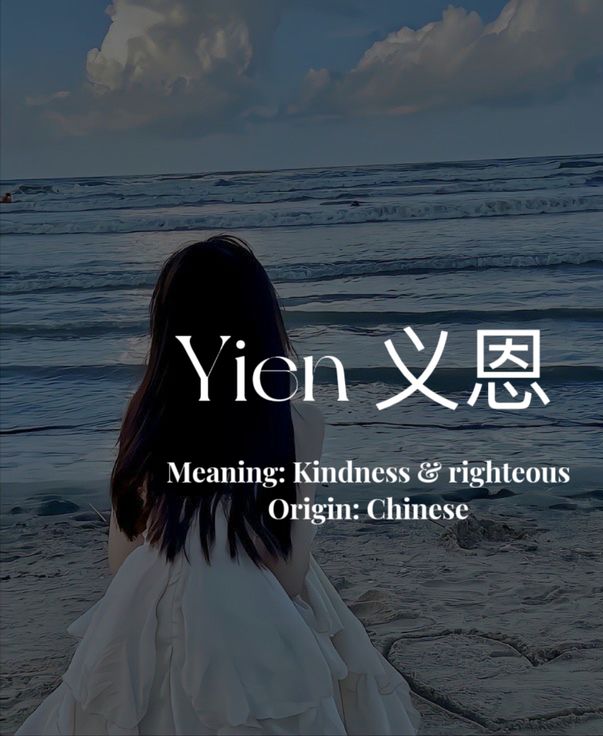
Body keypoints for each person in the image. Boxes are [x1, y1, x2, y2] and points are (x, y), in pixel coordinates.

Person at [17, 235, 419, 735]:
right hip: (251, 603)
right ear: (264, 325)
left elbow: (122, 561)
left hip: (151, 590)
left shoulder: (148, 415)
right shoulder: (295, 420)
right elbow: (288, 575)